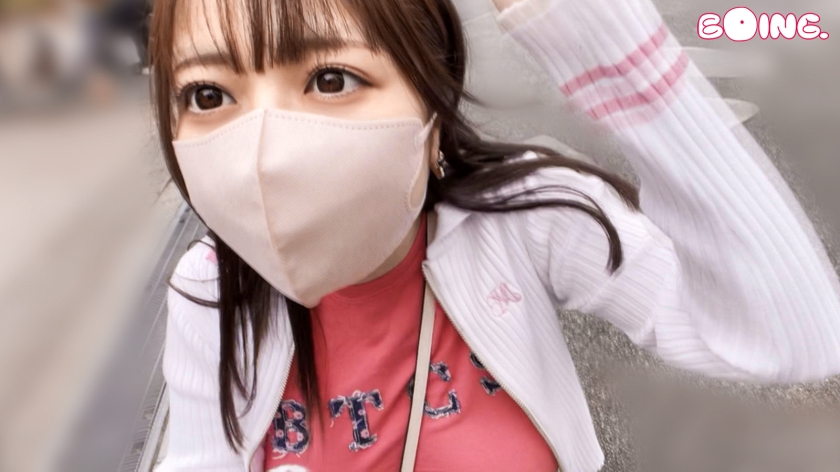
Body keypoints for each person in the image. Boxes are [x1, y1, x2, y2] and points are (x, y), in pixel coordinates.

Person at [150, 0, 840, 471]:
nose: (265, 154)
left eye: (332, 79)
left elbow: (793, 334)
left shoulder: (521, 221)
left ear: (433, 108)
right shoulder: (212, 292)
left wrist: (605, 41)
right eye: (208, 95)